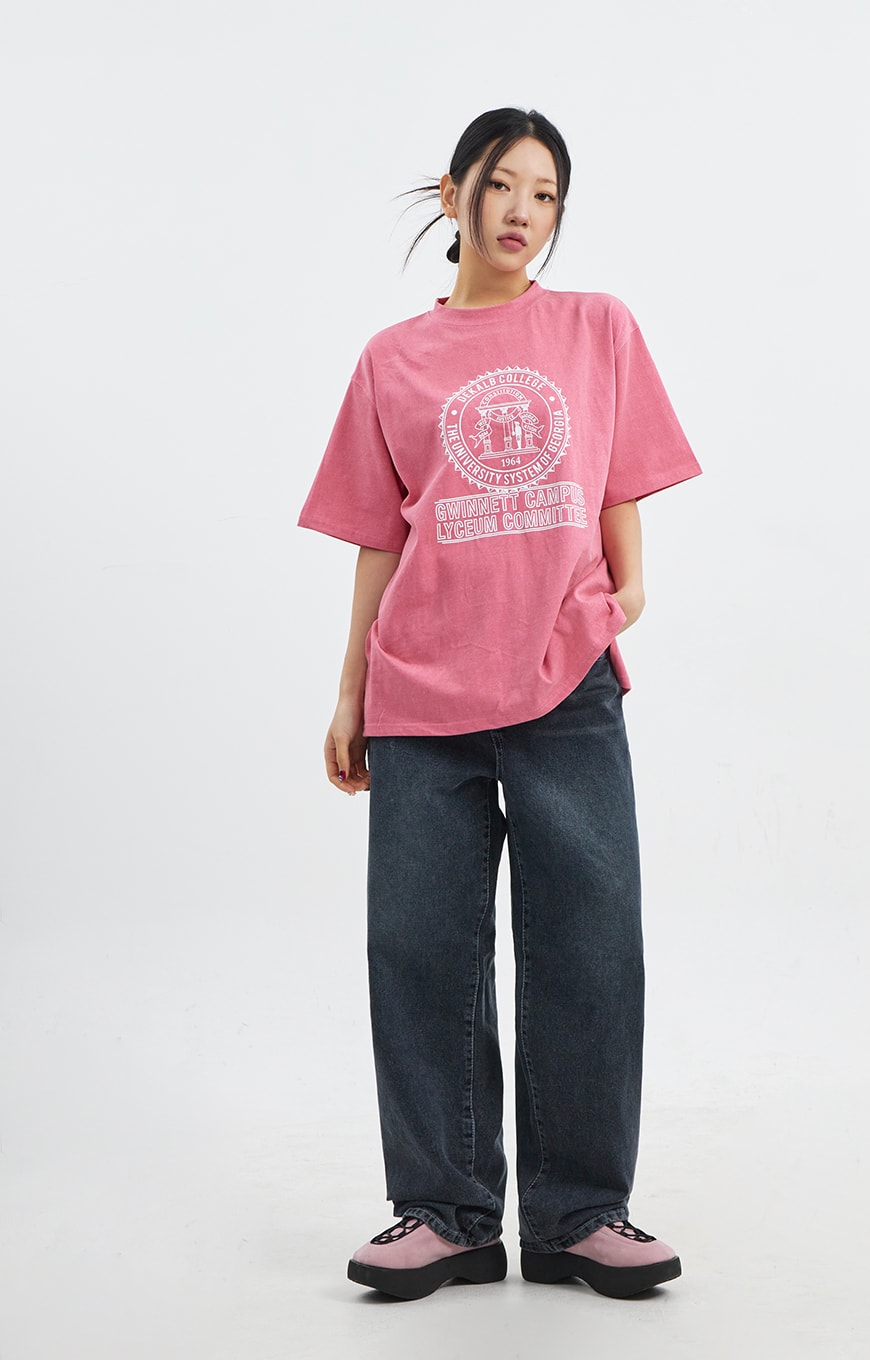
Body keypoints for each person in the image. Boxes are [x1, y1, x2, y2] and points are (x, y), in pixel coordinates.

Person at [298, 107, 702, 1301]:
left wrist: (625, 591)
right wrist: (350, 688)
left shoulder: (596, 327)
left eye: (546, 194)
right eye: (502, 184)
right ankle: (445, 1214)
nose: (523, 211)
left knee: (589, 943)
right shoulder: (392, 359)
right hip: (421, 689)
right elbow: (379, 536)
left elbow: (620, 474)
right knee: (421, 949)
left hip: (563, 679)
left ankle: (579, 1216)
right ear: (453, 191)